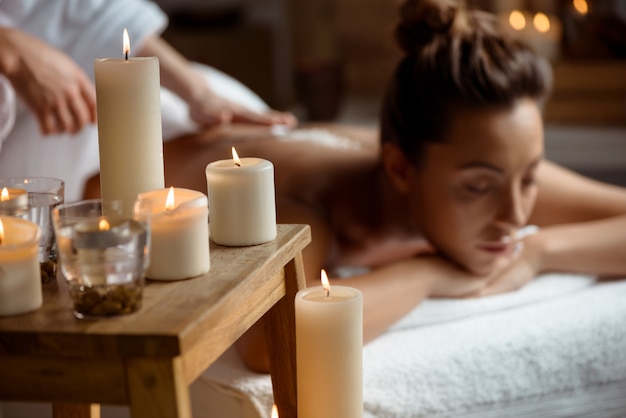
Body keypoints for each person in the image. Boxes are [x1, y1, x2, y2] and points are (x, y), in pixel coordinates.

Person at [145, 0, 626, 372]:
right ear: (399, 168)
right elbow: (272, 344)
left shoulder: (488, 168)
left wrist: (538, 251)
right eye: (479, 188)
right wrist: (427, 275)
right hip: (140, 141)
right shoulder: (304, 209)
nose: (516, 215)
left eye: (530, 177)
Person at [0, 0, 296, 201]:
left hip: (72, 69)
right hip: (34, 121)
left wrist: (197, 93)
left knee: (259, 130)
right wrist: (9, 49)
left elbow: (85, 9)